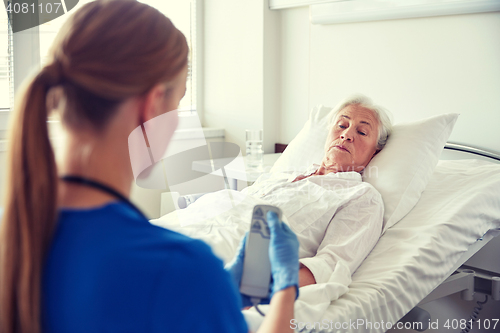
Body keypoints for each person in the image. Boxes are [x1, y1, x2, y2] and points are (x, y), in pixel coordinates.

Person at [0, 1, 299, 333]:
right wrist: (285, 290)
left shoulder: (14, 235)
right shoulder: (181, 269)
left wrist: (215, 294)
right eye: (178, 100)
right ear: (152, 104)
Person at [241, 94, 393, 287]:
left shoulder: (361, 197)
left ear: (375, 151)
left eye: (362, 132)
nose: (346, 135)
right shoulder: (282, 175)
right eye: (342, 125)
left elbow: (328, 267)